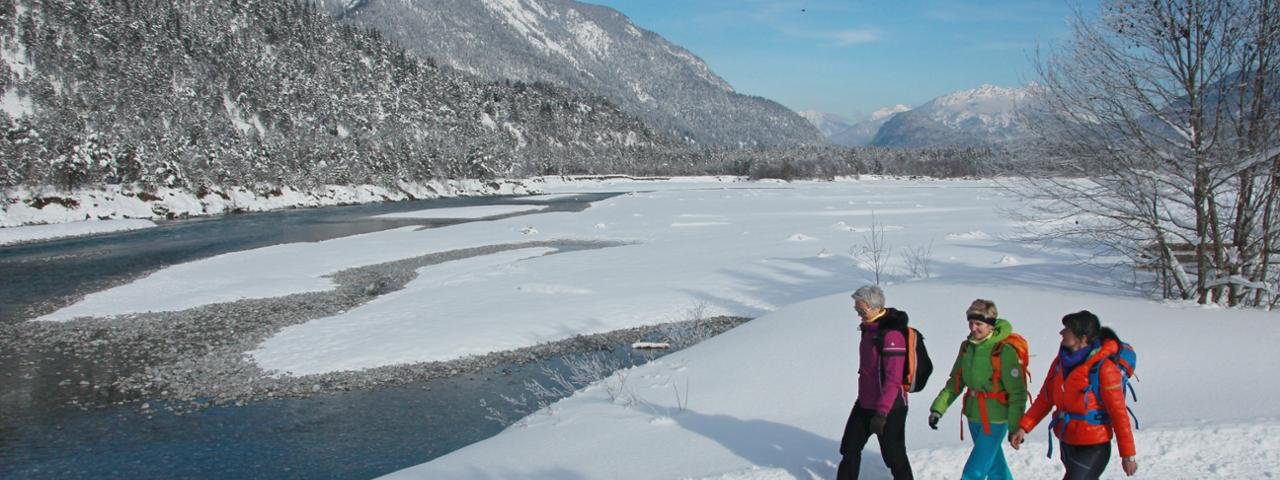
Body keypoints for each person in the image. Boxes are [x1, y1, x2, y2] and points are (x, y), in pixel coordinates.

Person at [1010, 311, 1138, 479]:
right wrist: (1024, 427)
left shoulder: (1104, 368)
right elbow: (1045, 398)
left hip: (1094, 445)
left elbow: (1118, 413)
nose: (1061, 333)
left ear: (1082, 337)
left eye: (1067, 329)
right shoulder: (1060, 363)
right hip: (1067, 440)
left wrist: (1128, 455)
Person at [927, 299, 1028, 480]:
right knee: (996, 468)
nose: (973, 328)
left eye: (978, 324)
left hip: (995, 419)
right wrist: (938, 408)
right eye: (971, 323)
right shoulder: (967, 348)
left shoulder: (1003, 351)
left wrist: (1016, 427)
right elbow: (955, 382)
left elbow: (1017, 393)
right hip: (973, 416)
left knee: (974, 471)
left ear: (990, 325)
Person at [837, 284, 914, 480]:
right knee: (849, 448)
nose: (858, 313)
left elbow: (893, 379)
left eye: (861, 309)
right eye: (856, 309)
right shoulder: (868, 330)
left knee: (894, 456)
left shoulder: (891, 336)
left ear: (875, 307)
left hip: (890, 407)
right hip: (865, 402)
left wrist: (881, 412)